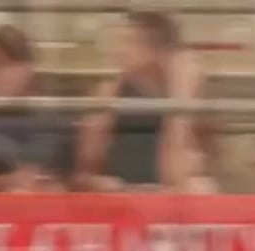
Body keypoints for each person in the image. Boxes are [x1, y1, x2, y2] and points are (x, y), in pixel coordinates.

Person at [75, 11, 206, 190]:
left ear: (158, 51)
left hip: (165, 192)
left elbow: (175, 174)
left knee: (199, 187)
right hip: (121, 192)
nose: (118, 50)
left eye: (128, 42)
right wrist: (107, 93)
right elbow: (87, 163)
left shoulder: (186, 91)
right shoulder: (115, 88)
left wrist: (180, 93)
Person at [0, 26, 69, 191]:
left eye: (0, 64)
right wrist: (10, 181)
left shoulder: (52, 119)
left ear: (27, 68)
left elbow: (62, 181)